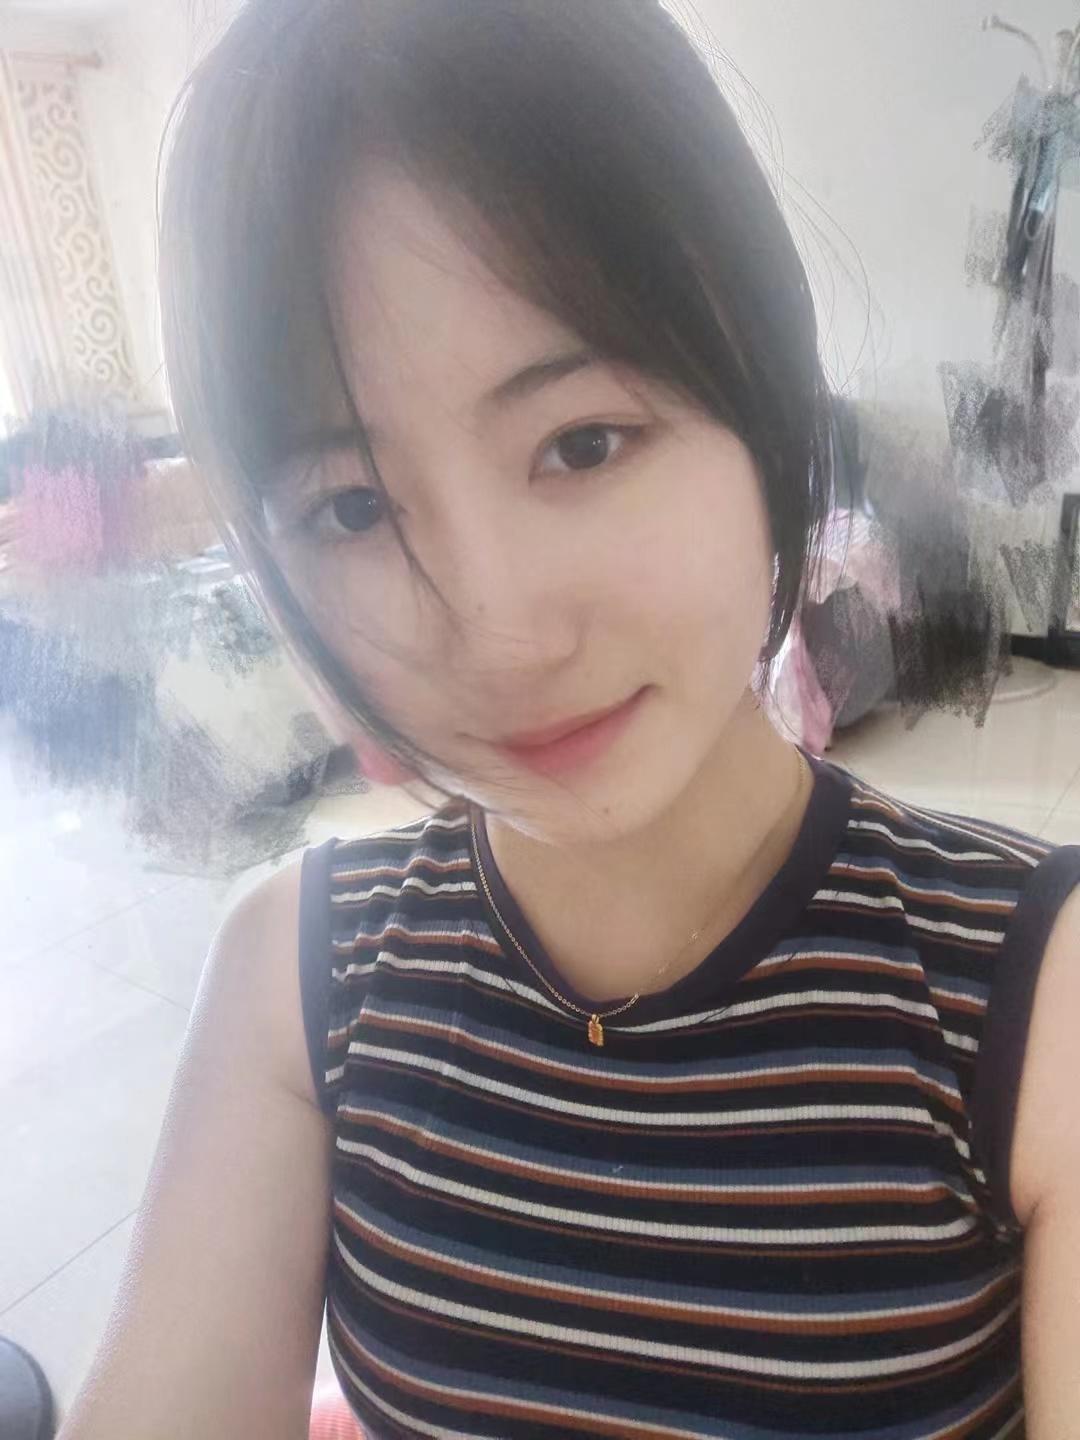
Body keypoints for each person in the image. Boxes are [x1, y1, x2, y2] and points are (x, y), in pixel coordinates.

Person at [59, 2, 1080, 1436]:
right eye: (351, 509)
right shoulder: (297, 978)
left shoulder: (1032, 997)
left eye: (583, 443)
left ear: (767, 407)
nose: (502, 636)